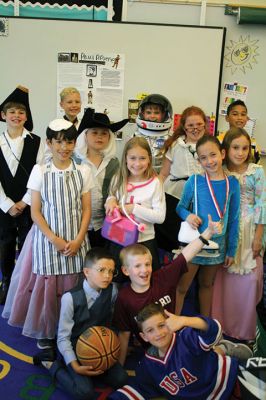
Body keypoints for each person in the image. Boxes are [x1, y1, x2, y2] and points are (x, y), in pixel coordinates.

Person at [2, 119, 93, 351]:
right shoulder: (40, 170)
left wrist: (80, 237)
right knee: (49, 289)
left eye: (69, 142)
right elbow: (35, 211)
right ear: (49, 143)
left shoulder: (83, 170)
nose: (64, 147)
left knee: (74, 287)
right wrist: (55, 239)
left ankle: (72, 328)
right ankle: (47, 331)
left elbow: (86, 209)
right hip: (47, 239)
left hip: (76, 238)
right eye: (58, 142)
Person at [113, 215, 223, 365]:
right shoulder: (124, 298)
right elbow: (124, 334)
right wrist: (120, 365)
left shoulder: (162, 278)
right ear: (126, 271)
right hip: (155, 348)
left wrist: (208, 233)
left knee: (205, 356)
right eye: (137, 266)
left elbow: (186, 255)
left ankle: (223, 350)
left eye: (147, 264)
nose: (144, 270)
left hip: (178, 337)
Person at [33, 247, 128, 400]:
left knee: (122, 380)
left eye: (111, 271)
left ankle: (93, 369)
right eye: (102, 270)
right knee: (86, 393)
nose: (107, 276)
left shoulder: (113, 291)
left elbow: (110, 324)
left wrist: (108, 351)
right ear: (86, 272)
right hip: (75, 347)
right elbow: (63, 338)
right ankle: (51, 365)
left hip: (99, 346)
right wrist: (75, 365)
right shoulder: (70, 298)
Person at [108, 303, 257, 400]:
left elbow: (212, 330)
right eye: (150, 330)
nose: (158, 333)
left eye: (161, 325)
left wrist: (185, 320)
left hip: (225, 381)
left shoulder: (185, 338)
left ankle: (224, 350)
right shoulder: (147, 365)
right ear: (144, 337)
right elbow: (137, 389)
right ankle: (220, 349)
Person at [176, 135, 240, 317]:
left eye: (213, 155)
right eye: (203, 158)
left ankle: (206, 328)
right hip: (194, 243)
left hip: (217, 246)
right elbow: (180, 207)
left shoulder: (232, 184)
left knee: (207, 285)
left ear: (222, 154)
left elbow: (234, 219)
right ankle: (173, 330)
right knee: (182, 287)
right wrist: (189, 216)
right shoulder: (195, 181)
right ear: (199, 160)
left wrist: (231, 250)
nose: (209, 161)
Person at [211, 128, 265, 341]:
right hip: (227, 229)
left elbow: (262, 204)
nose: (240, 152)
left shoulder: (256, 171)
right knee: (225, 279)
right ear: (226, 149)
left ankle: (245, 330)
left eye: (245, 148)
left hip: (251, 229)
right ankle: (221, 327)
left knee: (250, 280)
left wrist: (259, 236)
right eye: (235, 147)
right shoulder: (221, 170)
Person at [0, 85, 44, 304]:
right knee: (5, 244)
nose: (16, 116)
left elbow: (40, 172)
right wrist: (8, 204)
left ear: (27, 117)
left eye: (21, 112)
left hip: (29, 203)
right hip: (4, 205)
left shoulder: (36, 141)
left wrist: (24, 202)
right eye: (12, 112)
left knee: (29, 244)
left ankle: (26, 284)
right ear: (3, 115)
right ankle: (7, 280)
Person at [105, 136, 166, 276]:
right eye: (132, 158)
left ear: (149, 159)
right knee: (116, 280)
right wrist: (110, 200)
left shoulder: (155, 183)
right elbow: (112, 195)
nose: (137, 164)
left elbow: (160, 217)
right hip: (118, 239)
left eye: (142, 158)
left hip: (145, 242)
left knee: (145, 282)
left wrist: (133, 208)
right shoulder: (118, 178)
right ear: (125, 158)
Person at [74, 108, 129, 247]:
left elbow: (117, 190)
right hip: (78, 224)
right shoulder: (75, 161)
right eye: (94, 133)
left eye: (104, 134)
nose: (99, 137)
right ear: (85, 135)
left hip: (105, 224)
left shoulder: (113, 163)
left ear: (109, 137)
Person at [157, 106, 206, 252]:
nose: (195, 128)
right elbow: (164, 174)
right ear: (184, 127)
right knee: (173, 236)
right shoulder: (175, 145)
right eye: (190, 125)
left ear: (205, 124)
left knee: (195, 238)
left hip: (200, 198)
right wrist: (155, 193)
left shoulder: (210, 145)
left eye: (199, 124)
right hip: (174, 195)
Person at [135, 94, 173, 172]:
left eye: (156, 113)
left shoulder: (171, 139)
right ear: (142, 114)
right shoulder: (135, 137)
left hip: (163, 178)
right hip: (141, 177)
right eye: (148, 112)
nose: (152, 116)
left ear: (164, 115)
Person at [218, 99, 260, 164]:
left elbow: (256, 165)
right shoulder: (218, 141)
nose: (240, 117)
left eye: (243, 114)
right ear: (227, 118)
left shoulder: (253, 144)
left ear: (247, 118)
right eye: (235, 114)